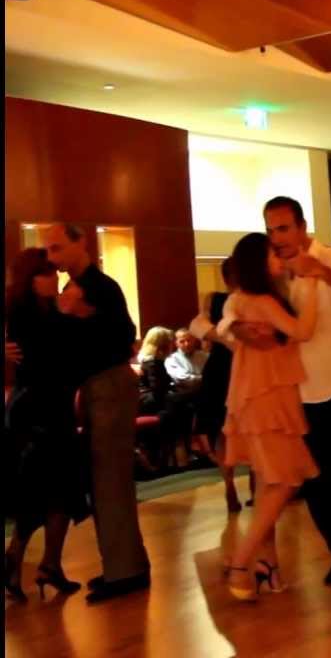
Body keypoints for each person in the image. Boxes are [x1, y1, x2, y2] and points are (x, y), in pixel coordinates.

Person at [254, 195, 331, 594]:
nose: (278, 237)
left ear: (302, 227)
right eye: (271, 230)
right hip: (295, 393)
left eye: (284, 228)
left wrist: (322, 271)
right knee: (312, 483)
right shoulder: (273, 271)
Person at [39, 223, 150, 604]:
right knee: (104, 481)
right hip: (95, 388)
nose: (52, 257)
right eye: (48, 250)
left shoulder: (101, 287)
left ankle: (127, 572)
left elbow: (124, 337)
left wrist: (82, 313)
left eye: (57, 248)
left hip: (110, 385)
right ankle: (124, 565)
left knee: (110, 480)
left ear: (80, 243)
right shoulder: (74, 287)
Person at [219, 232, 321, 601]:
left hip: (259, 394)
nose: (278, 259)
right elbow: (303, 331)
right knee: (285, 480)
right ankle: (240, 562)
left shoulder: (245, 299)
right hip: (266, 398)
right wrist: (313, 283)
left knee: (269, 482)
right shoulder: (259, 300)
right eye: (271, 254)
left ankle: (267, 564)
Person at [4, 248, 91, 602]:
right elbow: (55, 356)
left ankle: (47, 564)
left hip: (54, 408)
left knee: (62, 490)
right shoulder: (25, 313)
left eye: (54, 271)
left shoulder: (48, 312)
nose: (54, 277)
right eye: (46, 273)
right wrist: (74, 315)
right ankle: (17, 559)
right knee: (41, 488)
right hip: (36, 411)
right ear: (30, 279)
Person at [188, 259, 249, 513]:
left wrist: (219, 338)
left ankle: (229, 483)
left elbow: (198, 328)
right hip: (243, 368)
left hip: (218, 369)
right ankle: (253, 485)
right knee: (250, 427)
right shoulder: (253, 301)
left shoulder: (213, 300)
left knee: (221, 430)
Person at [137, 326, 195, 467]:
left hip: (151, 397)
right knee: (187, 400)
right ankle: (182, 451)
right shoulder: (152, 361)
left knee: (185, 403)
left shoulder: (152, 359)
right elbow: (157, 389)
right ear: (162, 344)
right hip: (149, 400)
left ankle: (180, 452)